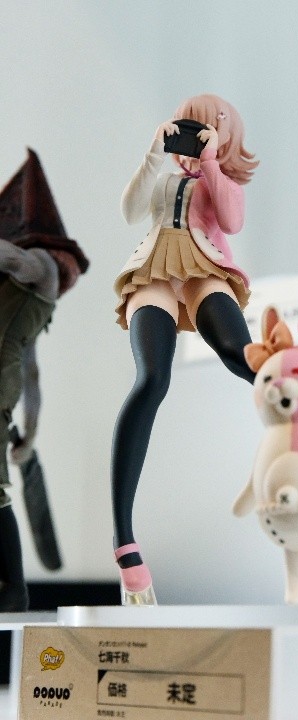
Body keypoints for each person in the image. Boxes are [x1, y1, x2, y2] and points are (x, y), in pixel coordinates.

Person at [111, 94, 258, 605]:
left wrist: (212, 163)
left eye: (204, 129)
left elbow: (232, 221)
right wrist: (153, 155)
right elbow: (131, 211)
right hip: (153, 268)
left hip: (204, 266)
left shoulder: (218, 181)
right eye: (186, 129)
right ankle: (125, 540)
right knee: (152, 378)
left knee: (243, 355)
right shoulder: (165, 177)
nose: (192, 139)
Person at [0, 150, 88, 611]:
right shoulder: (26, 299)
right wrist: (30, 436)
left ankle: (14, 589)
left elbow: (13, 259)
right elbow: (32, 375)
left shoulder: (41, 267)